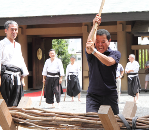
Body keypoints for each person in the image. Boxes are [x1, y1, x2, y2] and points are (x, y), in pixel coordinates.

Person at [85, 14, 121, 115]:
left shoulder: (115, 54)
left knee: (113, 123)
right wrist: (94, 26)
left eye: (103, 42)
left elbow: (109, 62)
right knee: (92, 121)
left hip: (110, 95)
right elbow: (89, 45)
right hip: (93, 95)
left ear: (109, 41)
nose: (100, 44)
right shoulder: (91, 53)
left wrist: (95, 52)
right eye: (97, 42)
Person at [0, 20, 29, 107]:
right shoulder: (1, 44)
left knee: (18, 101)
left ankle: (15, 120)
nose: (14, 32)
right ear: (6, 30)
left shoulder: (18, 45)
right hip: (6, 76)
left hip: (17, 76)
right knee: (6, 102)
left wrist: (23, 77)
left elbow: (21, 60)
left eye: (16, 30)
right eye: (12, 29)